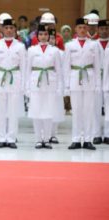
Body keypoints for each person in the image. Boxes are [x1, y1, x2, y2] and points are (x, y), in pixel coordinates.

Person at [63, 18, 101, 150]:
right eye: (80, 27)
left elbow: (97, 66)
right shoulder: (70, 45)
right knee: (77, 110)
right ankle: (76, 139)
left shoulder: (94, 45)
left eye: (85, 27)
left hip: (89, 79)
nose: (83, 30)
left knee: (89, 110)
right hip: (74, 78)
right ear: (76, 29)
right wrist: (66, 86)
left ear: (88, 29)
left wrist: (98, 85)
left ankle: (88, 139)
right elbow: (66, 67)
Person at [0, 18, 26, 149]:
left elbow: (23, 66)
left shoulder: (20, 46)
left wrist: (23, 85)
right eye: (6, 28)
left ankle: (11, 138)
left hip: (15, 78)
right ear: (2, 29)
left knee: (13, 111)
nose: (9, 30)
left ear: (15, 30)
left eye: (12, 28)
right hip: (0, 78)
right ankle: (1, 137)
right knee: (0, 110)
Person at [26, 25, 62, 149]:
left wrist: (59, 88)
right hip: (35, 83)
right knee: (36, 111)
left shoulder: (55, 51)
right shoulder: (31, 50)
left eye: (46, 34)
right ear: (37, 36)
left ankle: (46, 139)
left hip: (50, 83)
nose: (43, 37)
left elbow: (59, 71)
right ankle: (38, 139)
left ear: (49, 36)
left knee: (48, 112)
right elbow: (27, 69)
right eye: (41, 34)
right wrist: (27, 88)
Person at [94, 19, 109, 144]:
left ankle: (108, 134)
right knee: (96, 108)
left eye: (107, 29)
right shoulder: (93, 45)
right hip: (96, 80)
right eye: (102, 29)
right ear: (98, 30)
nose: (105, 31)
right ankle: (96, 134)